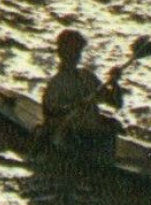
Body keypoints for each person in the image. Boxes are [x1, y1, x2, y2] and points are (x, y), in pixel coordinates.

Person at [41, 28, 123, 160]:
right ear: (61, 53)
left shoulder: (87, 77)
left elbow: (116, 103)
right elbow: (49, 112)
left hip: (94, 137)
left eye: (78, 51)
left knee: (111, 126)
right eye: (72, 51)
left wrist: (114, 83)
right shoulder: (56, 83)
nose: (76, 56)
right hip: (72, 138)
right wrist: (72, 107)